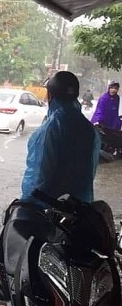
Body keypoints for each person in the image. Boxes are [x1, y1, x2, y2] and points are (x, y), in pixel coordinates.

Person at [21, 70, 100, 205]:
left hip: (50, 212)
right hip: (79, 210)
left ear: (50, 95)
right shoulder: (89, 129)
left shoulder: (50, 129)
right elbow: (90, 171)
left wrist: (25, 205)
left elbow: (38, 178)